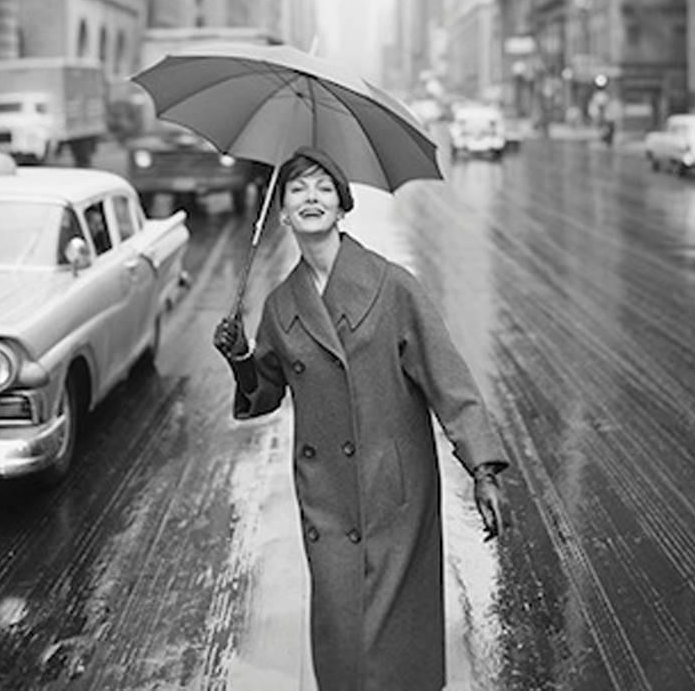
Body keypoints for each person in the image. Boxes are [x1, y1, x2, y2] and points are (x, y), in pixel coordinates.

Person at [213, 146, 509, 691]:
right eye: (298, 189)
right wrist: (239, 359)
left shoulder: (392, 285)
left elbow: (449, 380)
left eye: (324, 187)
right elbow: (264, 395)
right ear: (281, 212)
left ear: (342, 206)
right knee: (343, 637)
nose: (311, 198)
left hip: (393, 489)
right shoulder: (281, 305)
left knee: (392, 642)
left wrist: (483, 469)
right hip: (326, 496)